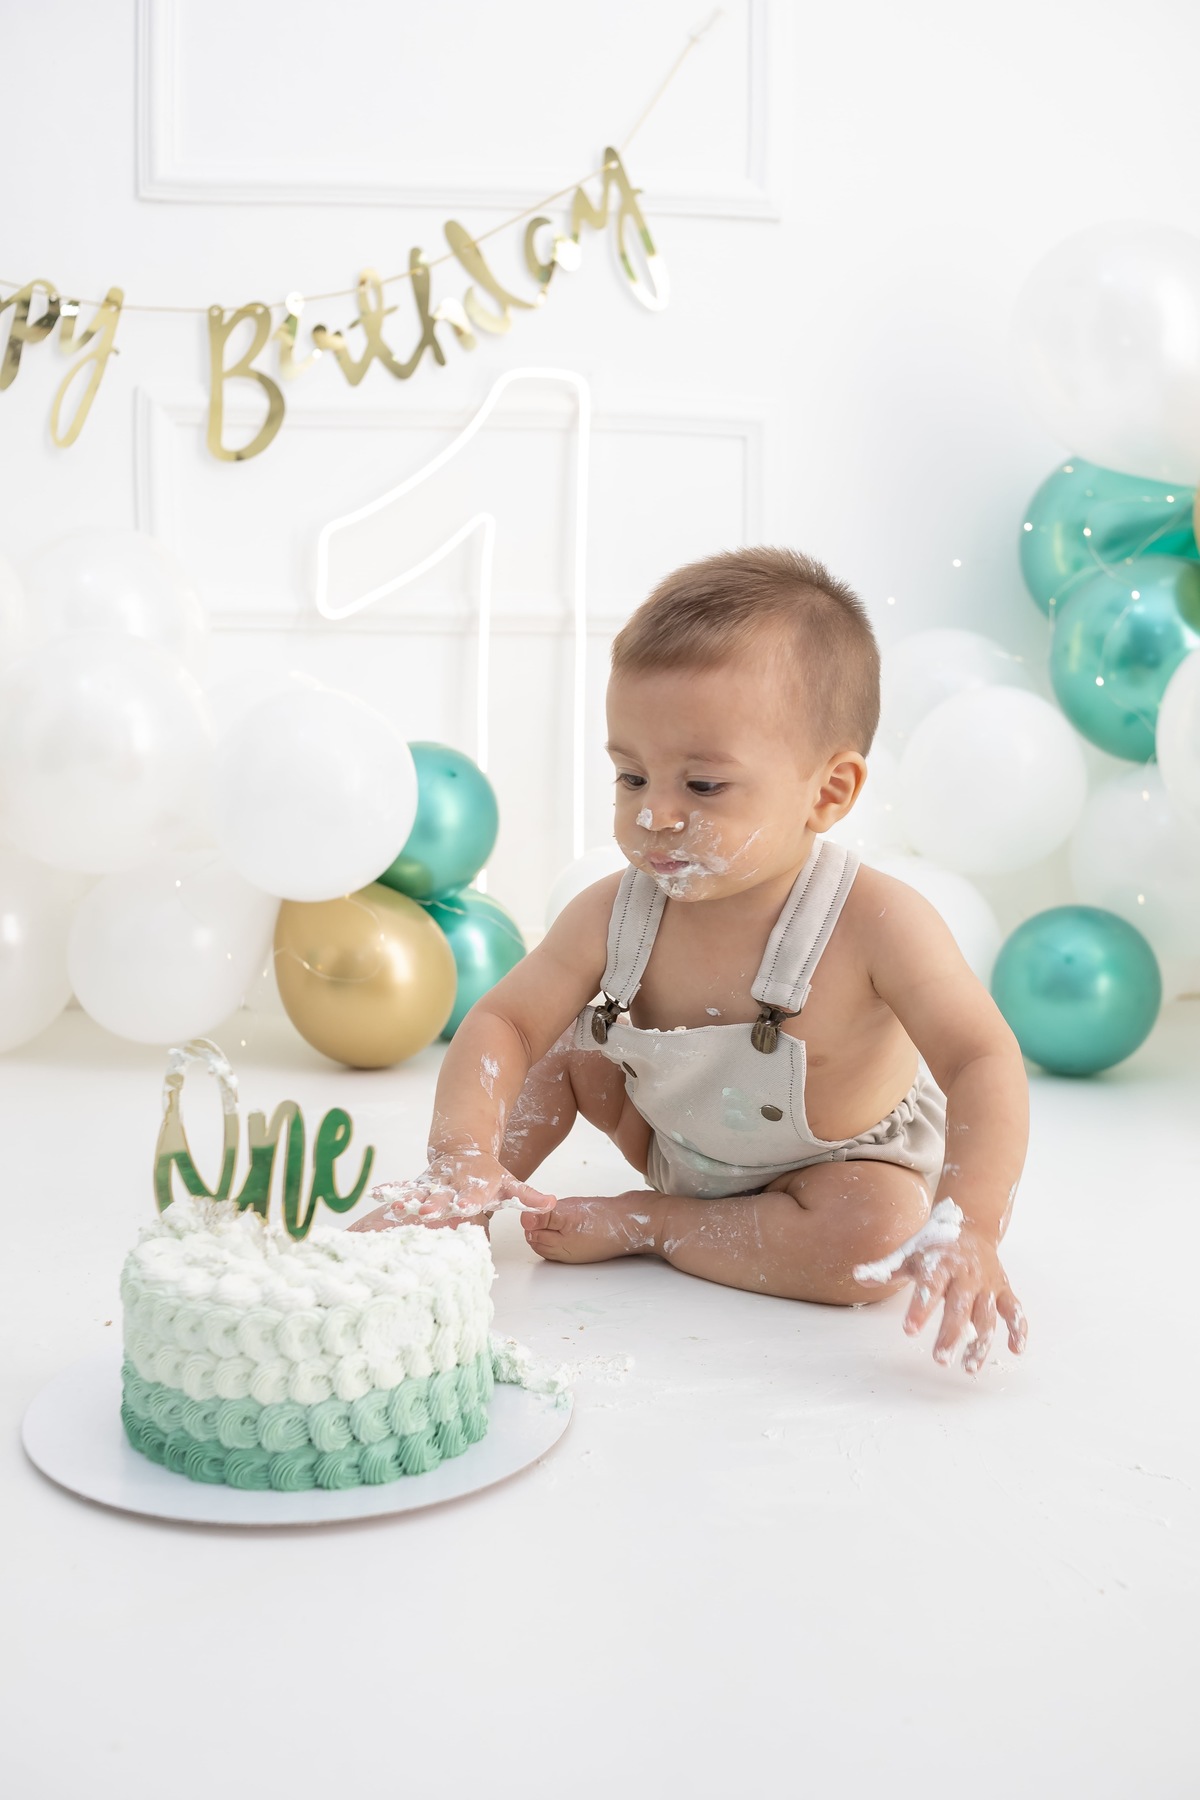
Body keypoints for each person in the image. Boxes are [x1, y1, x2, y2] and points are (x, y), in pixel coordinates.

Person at [352, 547, 1029, 1377]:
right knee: (560, 1047)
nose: (655, 815)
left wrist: (973, 1224)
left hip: (833, 1171)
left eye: (702, 786)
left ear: (830, 792)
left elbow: (981, 1059)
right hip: (675, 1135)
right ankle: (454, 1209)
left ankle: (657, 1224)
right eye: (631, 776)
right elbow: (503, 1021)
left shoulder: (877, 920)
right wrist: (463, 1147)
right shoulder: (614, 911)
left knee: (875, 1236)